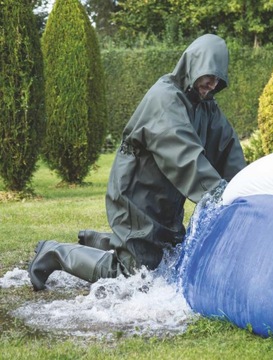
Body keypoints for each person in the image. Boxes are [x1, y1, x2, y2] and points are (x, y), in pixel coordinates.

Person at [28, 34, 246, 291]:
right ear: (194, 66)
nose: (211, 86)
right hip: (136, 194)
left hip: (165, 198)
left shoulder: (206, 105)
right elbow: (182, 154)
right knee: (133, 275)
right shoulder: (165, 98)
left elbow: (227, 148)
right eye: (208, 78)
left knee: (166, 260)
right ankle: (53, 252)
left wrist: (245, 189)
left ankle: (95, 240)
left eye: (217, 81)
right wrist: (216, 194)